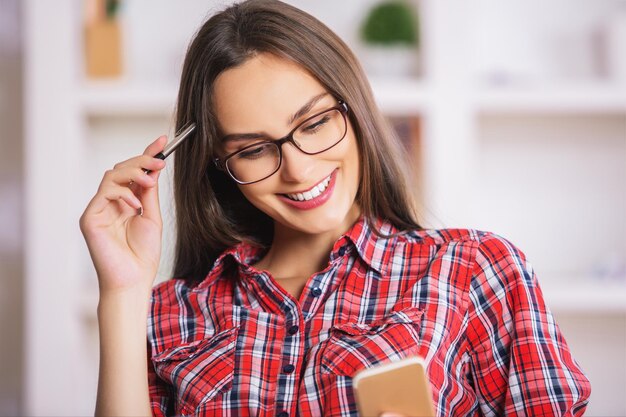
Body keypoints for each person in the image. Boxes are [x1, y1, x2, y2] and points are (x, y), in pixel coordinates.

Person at [79, 0, 591, 416]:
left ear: (355, 107)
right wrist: (122, 291)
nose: (299, 170)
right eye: (254, 149)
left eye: (315, 123)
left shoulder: (476, 271)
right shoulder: (171, 313)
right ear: (220, 164)